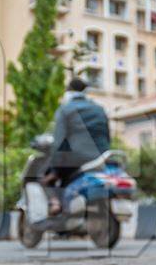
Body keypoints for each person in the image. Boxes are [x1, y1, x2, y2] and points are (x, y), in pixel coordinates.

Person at [44, 77, 111, 214]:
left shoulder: (65, 109)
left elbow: (59, 140)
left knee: (46, 176)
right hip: (102, 157)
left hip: (77, 159)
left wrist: (55, 165)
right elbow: (107, 135)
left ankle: (56, 204)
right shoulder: (99, 109)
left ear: (69, 91)